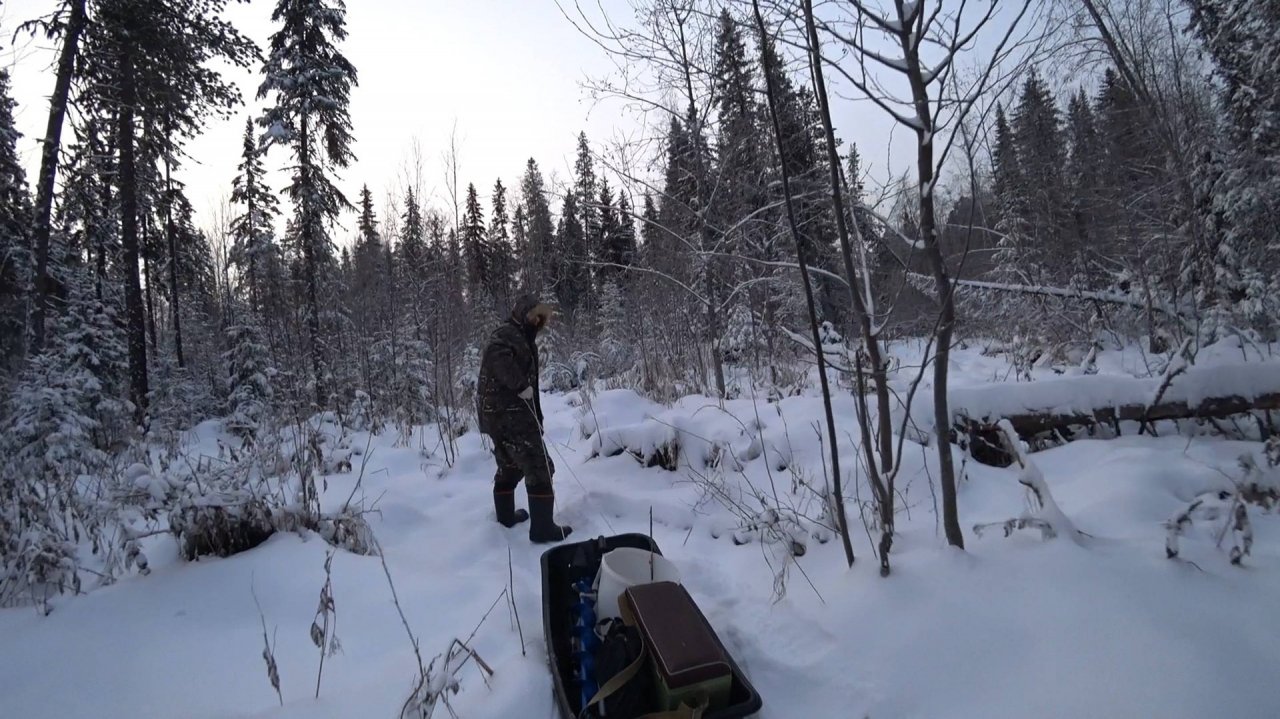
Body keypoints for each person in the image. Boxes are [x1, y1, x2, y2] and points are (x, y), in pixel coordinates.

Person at [476, 295, 573, 543]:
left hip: (502, 415)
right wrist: (519, 384)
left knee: (510, 464)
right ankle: (543, 530)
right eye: (534, 316)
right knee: (540, 467)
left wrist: (536, 416)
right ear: (522, 314)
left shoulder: (520, 336)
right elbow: (496, 357)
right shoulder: (507, 334)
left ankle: (506, 517)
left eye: (541, 318)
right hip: (510, 416)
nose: (537, 322)